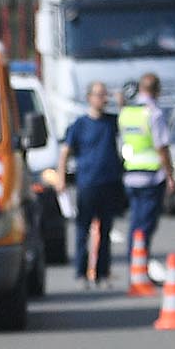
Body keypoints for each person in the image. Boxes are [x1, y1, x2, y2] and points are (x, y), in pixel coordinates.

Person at [59, 81, 125, 285]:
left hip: (109, 182)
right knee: (82, 230)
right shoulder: (80, 125)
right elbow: (65, 152)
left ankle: (103, 272)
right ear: (89, 97)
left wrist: (122, 104)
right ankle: (81, 272)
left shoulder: (111, 121)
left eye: (104, 95)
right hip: (87, 183)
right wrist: (61, 176)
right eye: (98, 95)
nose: (102, 99)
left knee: (105, 230)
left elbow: (127, 125)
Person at [119, 71, 174, 260]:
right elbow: (162, 147)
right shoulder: (154, 113)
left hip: (131, 174)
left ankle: (134, 262)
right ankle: (139, 263)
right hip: (151, 177)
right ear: (157, 91)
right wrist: (170, 175)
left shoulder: (127, 113)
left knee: (136, 221)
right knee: (146, 225)